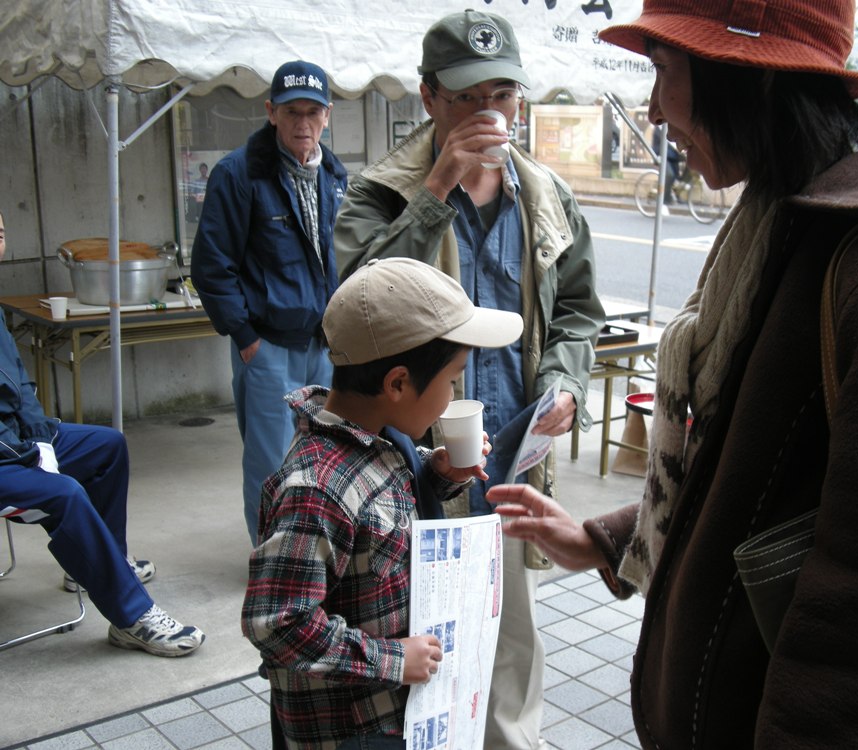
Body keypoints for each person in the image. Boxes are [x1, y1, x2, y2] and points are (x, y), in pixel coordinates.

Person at [486, 1, 858, 747]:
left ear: (752, 76)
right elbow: (763, 485)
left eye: (665, 70)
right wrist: (609, 540)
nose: (655, 111)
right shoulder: (778, 229)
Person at [334, 10, 604, 748]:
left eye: (503, 94)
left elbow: (579, 312)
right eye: (465, 96)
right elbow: (352, 306)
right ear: (428, 98)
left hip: (510, 464)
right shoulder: (382, 192)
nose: (488, 113)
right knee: (411, 649)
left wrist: (566, 383)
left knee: (513, 642)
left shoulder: (547, 196)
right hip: (408, 470)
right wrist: (437, 189)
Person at [241, 257, 523, 749]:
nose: (455, 392)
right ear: (396, 383)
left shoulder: (380, 438)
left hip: (395, 715)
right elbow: (278, 622)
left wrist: (437, 474)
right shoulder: (315, 489)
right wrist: (394, 660)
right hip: (348, 731)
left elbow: (382, 518)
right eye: (452, 378)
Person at [0, 210, 205, 658]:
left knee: (106, 446)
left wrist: (37, 432)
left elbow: (18, 381)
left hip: (17, 439)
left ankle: (103, 563)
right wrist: (24, 451)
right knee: (65, 493)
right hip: (3, 456)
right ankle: (130, 616)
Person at [191, 60, 349, 543]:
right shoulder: (239, 173)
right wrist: (244, 336)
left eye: (313, 112)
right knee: (270, 462)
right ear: (270, 113)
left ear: (327, 115)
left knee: (324, 456)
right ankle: (271, 564)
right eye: (292, 111)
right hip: (266, 347)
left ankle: (313, 556)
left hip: (323, 345)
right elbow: (212, 265)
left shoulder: (335, 176)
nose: (303, 123)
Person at [651, 123, 681, 204]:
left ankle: (673, 195)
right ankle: (664, 197)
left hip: (670, 156)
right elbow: (665, 143)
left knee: (677, 174)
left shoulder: (670, 127)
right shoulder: (659, 129)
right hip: (661, 156)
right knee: (670, 174)